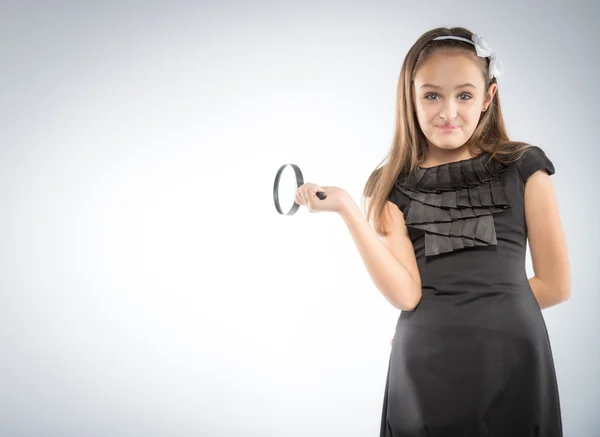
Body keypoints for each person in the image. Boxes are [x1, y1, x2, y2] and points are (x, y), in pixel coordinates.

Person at [295, 26, 570, 436]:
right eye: (431, 96)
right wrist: (347, 209)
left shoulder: (525, 168)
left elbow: (556, 284)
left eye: (463, 95)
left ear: (488, 97)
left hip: (512, 358)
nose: (448, 112)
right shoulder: (389, 185)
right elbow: (406, 294)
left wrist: (474, 319)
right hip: (425, 362)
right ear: (411, 97)